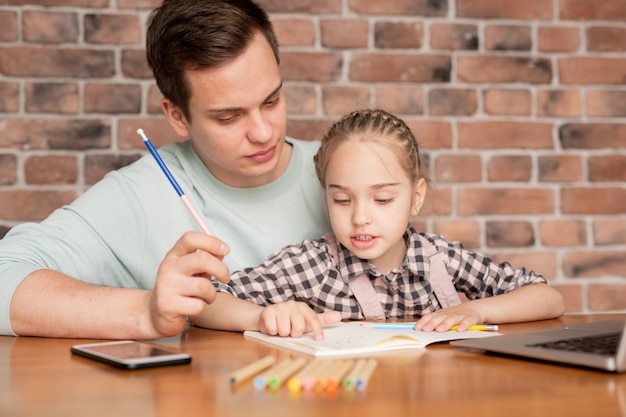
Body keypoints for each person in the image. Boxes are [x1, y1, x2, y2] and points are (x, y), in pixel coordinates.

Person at [0, 0, 335, 338]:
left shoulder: (345, 172)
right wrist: (145, 312)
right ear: (177, 116)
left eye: (271, 101)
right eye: (228, 117)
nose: (264, 133)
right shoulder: (144, 195)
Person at [197, 109, 565, 340]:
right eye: (342, 199)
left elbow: (547, 297)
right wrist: (263, 315)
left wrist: (477, 310)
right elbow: (204, 303)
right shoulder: (313, 265)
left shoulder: (439, 259)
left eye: (383, 199)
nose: (360, 217)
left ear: (416, 196)